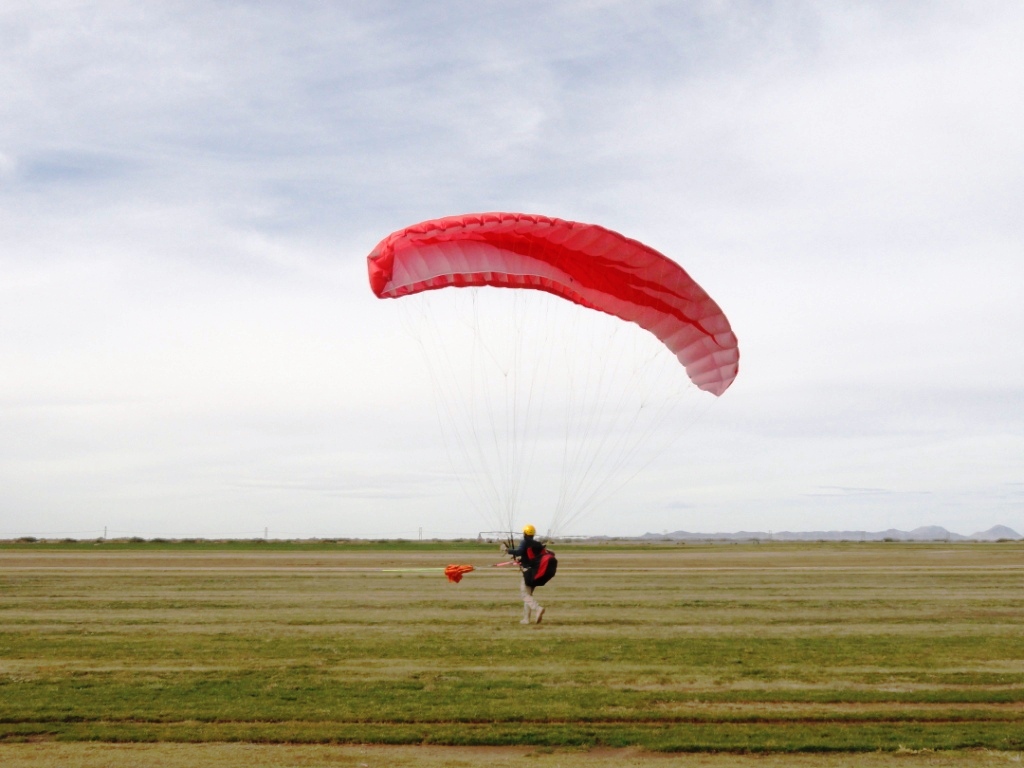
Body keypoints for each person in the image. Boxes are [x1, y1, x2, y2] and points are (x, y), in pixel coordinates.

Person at [505, 524, 557, 624]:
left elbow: (519, 551)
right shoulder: (538, 544)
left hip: (528, 572)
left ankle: (538, 609)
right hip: (535, 572)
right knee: (528, 596)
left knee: (524, 594)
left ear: (524, 533)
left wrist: (508, 551)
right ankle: (526, 619)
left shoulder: (525, 542)